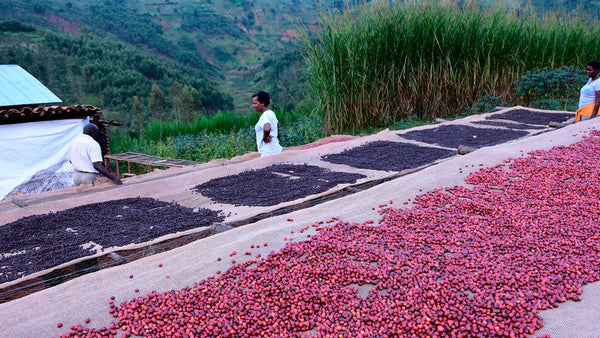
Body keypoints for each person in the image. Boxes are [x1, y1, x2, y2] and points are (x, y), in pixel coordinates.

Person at [252, 91, 282, 157]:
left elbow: (267, 128)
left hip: (267, 152)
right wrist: (276, 134)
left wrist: (265, 138)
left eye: (255, 103)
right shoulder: (271, 113)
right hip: (276, 149)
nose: (253, 106)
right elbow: (277, 125)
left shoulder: (264, 116)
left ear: (262, 103)